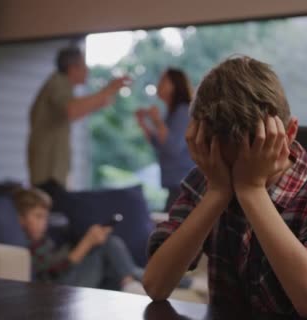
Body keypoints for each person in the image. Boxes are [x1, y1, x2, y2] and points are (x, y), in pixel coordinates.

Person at [143, 56, 307, 319]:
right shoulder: (208, 180)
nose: (235, 176)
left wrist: (252, 190)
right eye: (227, 165)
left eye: (251, 161)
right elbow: (156, 284)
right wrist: (217, 193)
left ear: (288, 134)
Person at [27, 46, 129, 187]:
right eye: (83, 66)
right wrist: (106, 91)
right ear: (72, 68)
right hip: (48, 168)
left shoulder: (60, 83)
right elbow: (71, 110)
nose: (87, 71)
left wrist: (99, 101)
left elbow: (70, 113)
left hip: (52, 167)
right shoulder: (59, 82)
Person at [13, 188, 144, 292]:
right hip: (60, 289)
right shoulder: (25, 245)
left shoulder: (43, 239)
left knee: (111, 261)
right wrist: (86, 243)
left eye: (45, 217)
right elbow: (54, 270)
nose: (44, 223)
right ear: (20, 218)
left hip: (71, 278)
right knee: (109, 244)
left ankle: (134, 282)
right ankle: (141, 281)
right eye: (38, 216)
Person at [135, 68, 195, 211]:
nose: (158, 84)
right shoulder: (173, 113)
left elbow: (172, 147)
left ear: (175, 85)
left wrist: (157, 122)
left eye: (163, 80)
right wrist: (144, 123)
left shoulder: (183, 111)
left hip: (184, 184)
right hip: (178, 184)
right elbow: (159, 144)